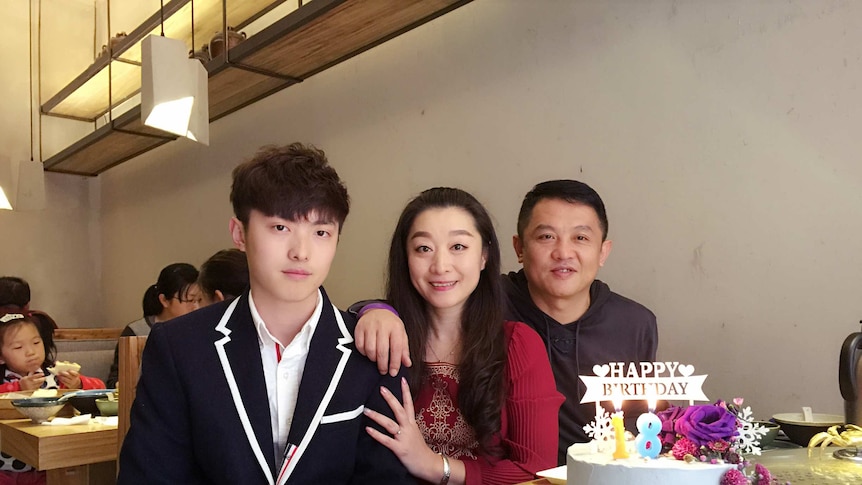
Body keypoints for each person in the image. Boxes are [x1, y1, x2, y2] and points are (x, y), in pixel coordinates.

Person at [118, 143, 414, 484]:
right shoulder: (179, 347)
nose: (301, 252)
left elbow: (385, 478)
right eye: (280, 228)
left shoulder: (374, 350)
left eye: (321, 233)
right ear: (239, 234)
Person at [356, 180, 658, 465]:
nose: (563, 253)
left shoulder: (635, 323)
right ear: (519, 249)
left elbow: (639, 423)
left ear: (603, 251)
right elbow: (427, 298)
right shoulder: (486, 300)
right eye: (546, 236)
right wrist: (374, 310)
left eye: (580, 238)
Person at [363, 187, 563, 484]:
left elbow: (536, 471)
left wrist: (434, 465)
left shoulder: (517, 345)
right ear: (404, 257)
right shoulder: (383, 336)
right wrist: (370, 310)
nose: (441, 266)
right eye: (423, 249)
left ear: (484, 256)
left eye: (458, 247)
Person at [0, 311, 106, 485]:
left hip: (48, 464)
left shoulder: (55, 377)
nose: (30, 352)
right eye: (18, 347)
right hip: (5, 467)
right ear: (1, 357)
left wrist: (78, 383)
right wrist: (18, 388)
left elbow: (100, 388)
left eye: (36, 342)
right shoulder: (6, 382)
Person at [105, 263, 200, 388]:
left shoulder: (199, 331)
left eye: (199, 300)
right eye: (190, 300)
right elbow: (115, 382)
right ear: (164, 300)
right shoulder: (137, 332)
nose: (196, 307)